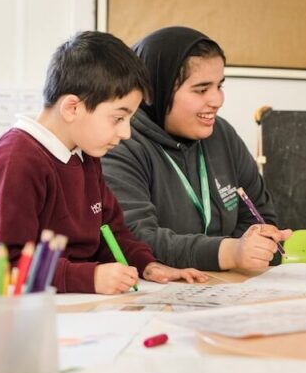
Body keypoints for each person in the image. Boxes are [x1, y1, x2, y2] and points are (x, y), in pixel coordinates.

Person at [0, 32, 206, 294]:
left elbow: (111, 232)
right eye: (118, 118)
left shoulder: (84, 153)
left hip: (64, 298)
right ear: (72, 108)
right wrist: (89, 277)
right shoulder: (16, 161)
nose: (126, 133)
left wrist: (146, 265)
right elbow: (2, 266)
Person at [102, 27, 290, 272]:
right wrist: (229, 252)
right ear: (154, 91)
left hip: (226, 288)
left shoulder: (222, 134)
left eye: (219, 85)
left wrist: (258, 246)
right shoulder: (120, 143)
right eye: (201, 89)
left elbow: (261, 219)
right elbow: (135, 239)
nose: (217, 100)